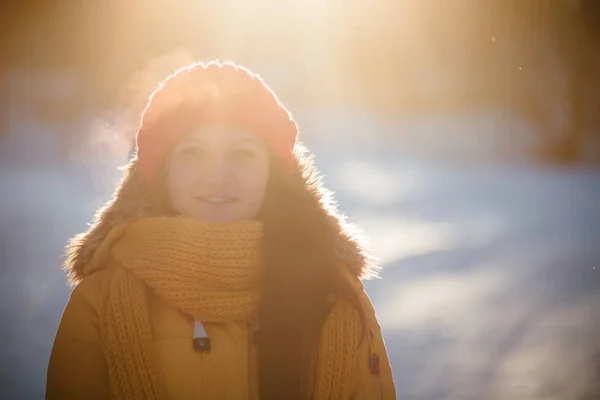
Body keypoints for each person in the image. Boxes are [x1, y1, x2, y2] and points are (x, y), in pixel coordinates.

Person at [46, 60, 396, 399]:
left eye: (241, 154)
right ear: (164, 173)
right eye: (193, 153)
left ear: (271, 173)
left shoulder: (334, 295)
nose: (217, 175)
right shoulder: (101, 301)